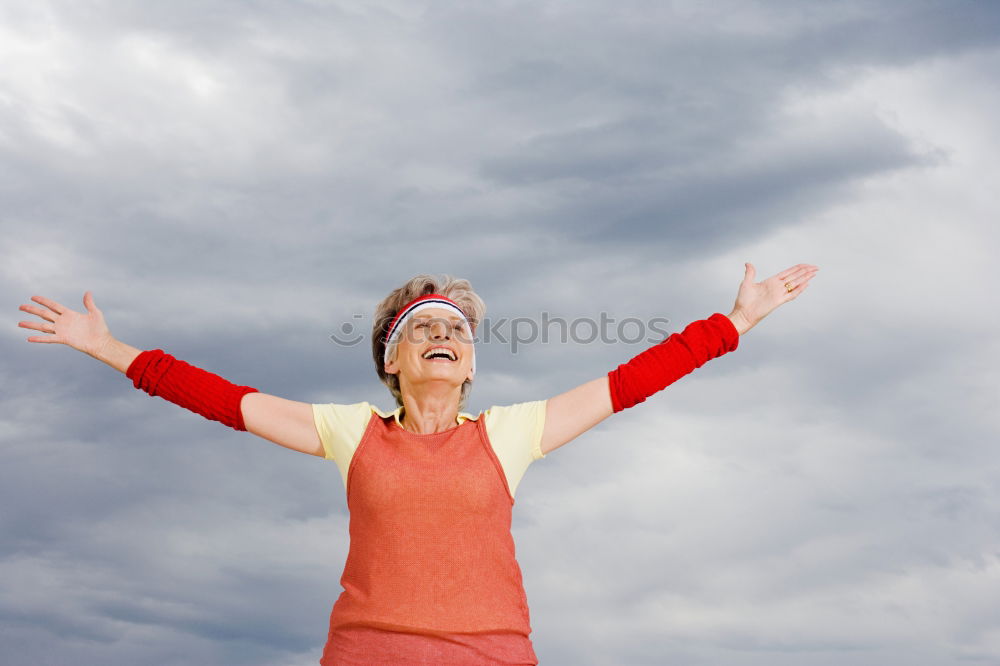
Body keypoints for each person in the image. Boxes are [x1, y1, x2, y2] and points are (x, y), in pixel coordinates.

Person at [17, 262, 819, 665]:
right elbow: (222, 399)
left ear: (470, 366)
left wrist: (734, 322)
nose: (445, 336)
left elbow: (631, 382)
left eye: (459, 332)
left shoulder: (510, 433)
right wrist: (110, 349)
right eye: (422, 328)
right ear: (390, 360)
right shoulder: (348, 431)